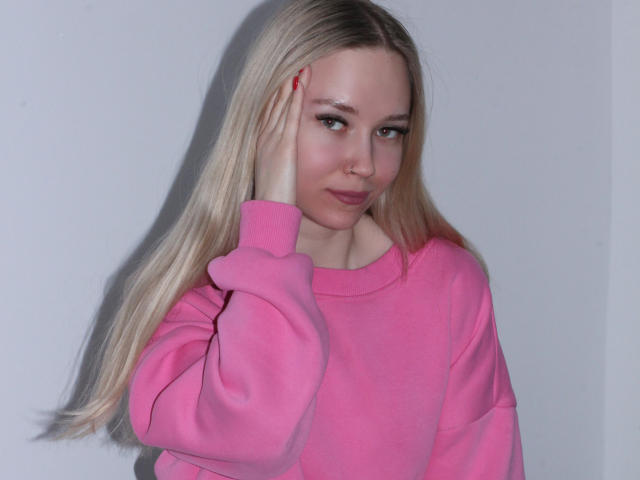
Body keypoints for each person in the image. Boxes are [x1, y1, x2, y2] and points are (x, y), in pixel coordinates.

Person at [51, 0, 525, 478]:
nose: (364, 162)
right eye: (333, 121)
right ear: (264, 122)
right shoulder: (205, 304)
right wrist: (270, 227)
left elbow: (480, 463)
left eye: (388, 131)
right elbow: (253, 442)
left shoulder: (447, 284)